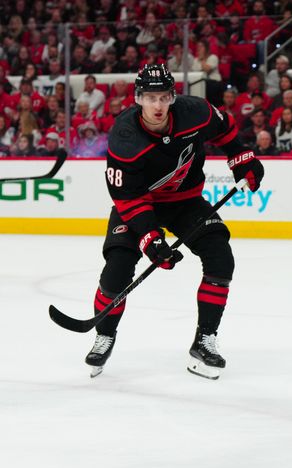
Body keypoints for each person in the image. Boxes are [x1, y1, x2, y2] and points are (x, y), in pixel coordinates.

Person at [83, 64, 264, 379]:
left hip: (185, 202)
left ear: (173, 97)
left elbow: (227, 131)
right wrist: (152, 242)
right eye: (150, 98)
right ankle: (105, 333)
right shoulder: (125, 137)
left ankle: (205, 340)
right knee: (118, 267)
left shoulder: (195, 112)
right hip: (140, 205)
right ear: (138, 98)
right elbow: (128, 199)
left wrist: (241, 158)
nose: (157, 106)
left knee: (220, 255)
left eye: (164, 97)